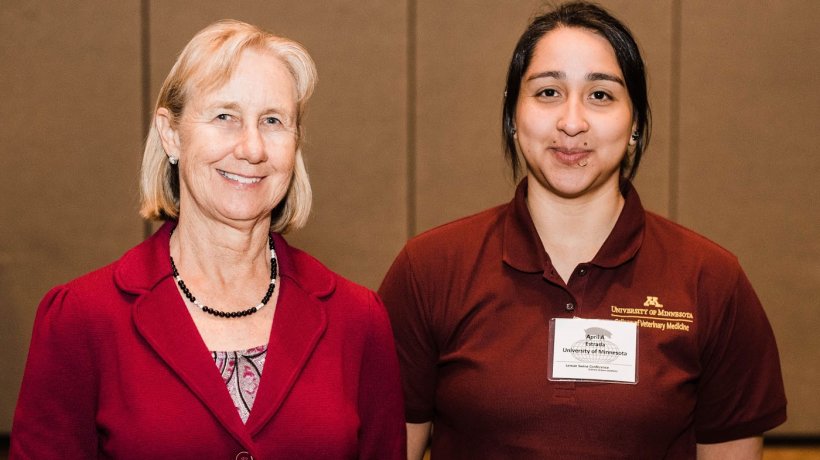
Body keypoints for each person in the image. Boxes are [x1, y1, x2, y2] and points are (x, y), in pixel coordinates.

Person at [378, 2, 786, 459]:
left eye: (601, 95)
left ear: (634, 125)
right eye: (548, 92)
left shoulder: (711, 280)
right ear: (514, 117)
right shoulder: (430, 269)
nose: (572, 123)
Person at [12, 20, 405, 459]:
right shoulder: (81, 320)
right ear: (170, 133)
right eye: (225, 117)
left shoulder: (357, 320)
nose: (252, 148)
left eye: (273, 121)